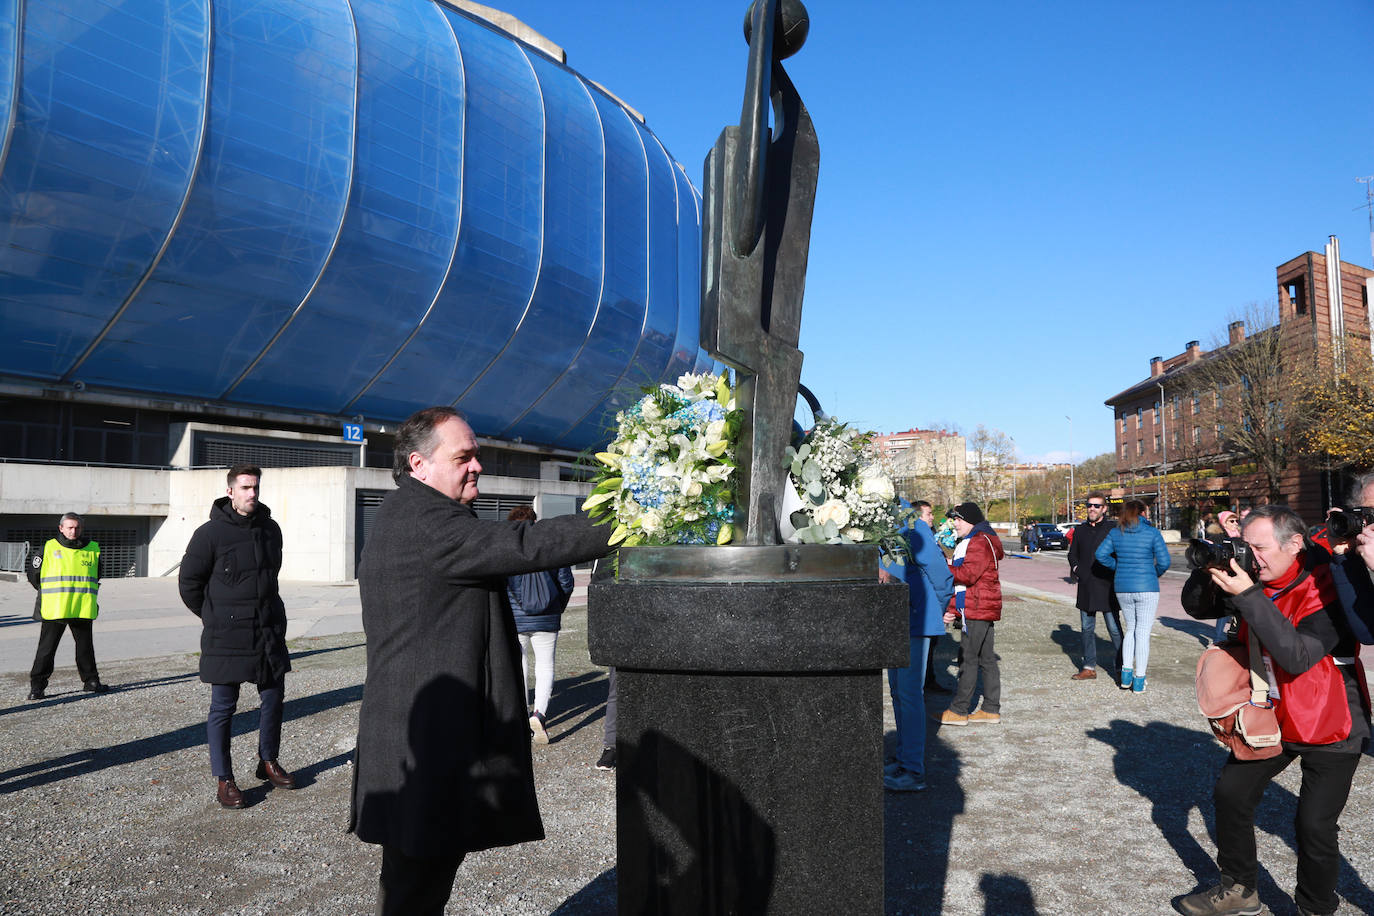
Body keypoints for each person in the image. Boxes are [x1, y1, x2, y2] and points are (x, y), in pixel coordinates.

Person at [350, 406, 614, 916]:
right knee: (415, 887)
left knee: (414, 881)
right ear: (418, 464)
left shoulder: (413, 513)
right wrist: (631, 516)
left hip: (415, 730)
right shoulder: (426, 522)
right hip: (423, 740)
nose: (477, 466)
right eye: (463, 457)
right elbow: (525, 544)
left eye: (478, 456)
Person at [1176, 506, 1370, 916]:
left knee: (1314, 825)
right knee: (1232, 792)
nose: (1253, 556)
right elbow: (1196, 609)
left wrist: (1247, 595)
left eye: (1259, 548)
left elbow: (1297, 656)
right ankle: (1239, 888)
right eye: (1247, 546)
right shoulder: (1256, 579)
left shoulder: (1328, 585)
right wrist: (1208, 569)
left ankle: (1315, 908)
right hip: (1272, 714)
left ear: (1294, 544)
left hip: (1331, 721)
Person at [179, 465, 294, 809]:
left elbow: (271, 576)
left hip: (267, 630)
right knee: (223, 708)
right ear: (230, 492)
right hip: (227, 634)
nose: (252, 494)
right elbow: (189, 584)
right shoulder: (209, 534)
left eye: (255, 487)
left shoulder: (271, 530)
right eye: (245, 488)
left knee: (273, 697)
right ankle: (224, 779)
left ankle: (268, 761)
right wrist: (215, 617)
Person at [880, 498, 954, 791]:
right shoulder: (884, 528)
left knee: (909, 694)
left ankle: (913, 770)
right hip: (896, 621)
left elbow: (941, 575)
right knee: (899, 693)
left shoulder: (912, 527)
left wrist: (931, 611)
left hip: (914, 621)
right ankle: (904, 759)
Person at [504, 505, 575, 745]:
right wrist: (557, 607)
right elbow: (566, 582)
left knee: (519, 667)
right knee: (545, 667)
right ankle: (540, 714)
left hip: (516, 618)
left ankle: (521, 716)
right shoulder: (551, 547)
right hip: (548, 617)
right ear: (535, 521)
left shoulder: (508, 549)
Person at [26, 512, 109, 699]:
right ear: (61, 528)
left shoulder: (93, 548)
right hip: (56, 608)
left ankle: (91, 681)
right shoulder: (48, 547)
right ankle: (37, 687)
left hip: (82, 607)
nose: (74, 531)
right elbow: (34, 575)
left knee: (85, 648)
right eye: (70, 527)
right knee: (46, 650)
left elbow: (97, 574)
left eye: (77, 527)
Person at [938, 502, 1004, 726]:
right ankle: (990, 709)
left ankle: (959, 710)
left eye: (958, 519)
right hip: (981, 606)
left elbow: (966, 576)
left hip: (977, 608)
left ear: (970, 521)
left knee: (968, 658)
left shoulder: (978, 541)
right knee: (986, 659)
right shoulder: (981, 539)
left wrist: (940, 567)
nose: (954, 524)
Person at [1094, 499, 1169, 692]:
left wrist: (1118, 568)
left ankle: (1125, 676)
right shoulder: (1152, 533)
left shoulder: (1116, 531)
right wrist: (1153, 574)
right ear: (1143, 513)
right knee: (1143, 632)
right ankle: (1139, 680)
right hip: (1147, 588)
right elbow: (1164, 561)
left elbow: (1101, 555)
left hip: (1122, 587)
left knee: (1131, 630)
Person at [1066, 493, 1121, 681]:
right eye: (1089, 505)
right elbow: (1072, 554)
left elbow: (1120, 553)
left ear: (1104, 509)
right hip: (1087, 586)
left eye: (1096, 506)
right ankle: (1089, 667)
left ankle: (1123, 667)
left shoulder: (1113, 528)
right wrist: (1077, 569)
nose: (1092, 509)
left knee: (1114, 629)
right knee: (1087, 629)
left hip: (1108, 586)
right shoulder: (1080, 530)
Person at [1211, 510, 1242, 642]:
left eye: (1236, 520)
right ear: (1224, 523)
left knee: (1239, 608)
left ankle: (1235, 636)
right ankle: (1217, 639)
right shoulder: (1218, 537)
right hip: (1225, 576)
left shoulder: (1240, 536)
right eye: (1231, 521)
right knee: (1224, 609)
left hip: (1239, 576)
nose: (1235, 523)